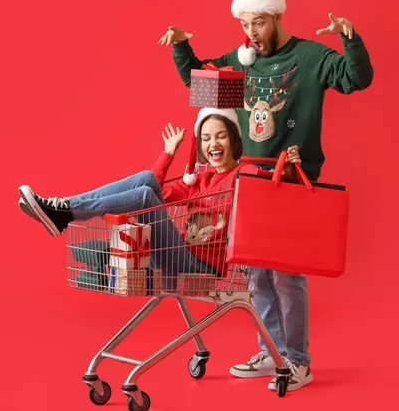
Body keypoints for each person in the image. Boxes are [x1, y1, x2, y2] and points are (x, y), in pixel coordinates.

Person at [158, 0, 374, 391]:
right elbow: (200, 81)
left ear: (276, 16)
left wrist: (350, 38)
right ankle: (271, 351)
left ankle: (297, 361)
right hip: (249, 180)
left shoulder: (310, 58)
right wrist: (182, 46)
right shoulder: (242, 61)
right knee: (256, 273)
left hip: (292, 181)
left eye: (258, 23)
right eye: (245, 24)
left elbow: (355, 78)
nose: (251, 33)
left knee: (287, 276)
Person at [18, 107, 300, 289]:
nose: (213, 144)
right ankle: (65, 208)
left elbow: (268, 186)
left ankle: (67, 212)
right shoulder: (198, 180)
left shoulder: (244, 172)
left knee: (142, 194)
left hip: (199, 268)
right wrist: (168, 153)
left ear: (234, 140)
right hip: (174, 254)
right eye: (205, 138)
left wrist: (285, 171)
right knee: (145, 181)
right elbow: (156, 192)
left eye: (221, 136)